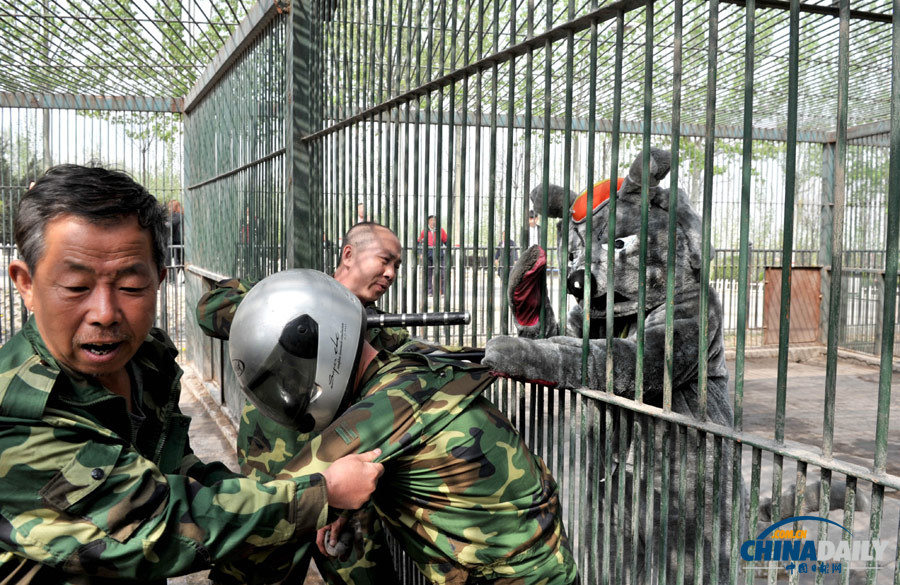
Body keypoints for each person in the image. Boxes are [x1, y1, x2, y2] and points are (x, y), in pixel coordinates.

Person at [0, 164, 383, 584]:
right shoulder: (17, 417)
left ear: (159, 281)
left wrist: (284, 498)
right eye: (76, 287)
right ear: (26, 284)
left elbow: (174, 467)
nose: (105, 313)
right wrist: (318, 495)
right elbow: (154, 526)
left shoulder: (144, 359)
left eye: (130, 287)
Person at [229, 269, 578, 585]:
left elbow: (272, 510)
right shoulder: (410, 366)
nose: (291, 388)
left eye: (292, 370)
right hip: (546, 564)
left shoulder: (378, 412)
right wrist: (344, 505)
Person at [198, 221, 407, 585]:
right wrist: (289, 319)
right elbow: (209, 308)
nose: (390, 273)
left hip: (344, 491)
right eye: (385, 260)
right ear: (348, 255)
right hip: (275, 485)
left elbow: (423, 368)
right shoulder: (290, 295)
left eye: (397, 267)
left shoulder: (382, 335)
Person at [417, 214, 447, 296]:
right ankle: (429, 292)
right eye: (431, 220)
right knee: (428, 273)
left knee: (442, 273)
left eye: (434, 220)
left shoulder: (441, 231)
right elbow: (418, 243)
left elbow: (446, 241)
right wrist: (420, 253)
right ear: (428, 222)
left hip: (439, 253)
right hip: (428, 253)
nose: (433, 222)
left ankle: (442, 292)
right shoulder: (424, 231)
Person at [166, 199, 183, 268]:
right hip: (184, 242)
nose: (169, 209)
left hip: (177, 242)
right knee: (182, 263)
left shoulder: (176, 216)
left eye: (170, 207)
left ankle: (172, 278)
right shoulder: (184, 215)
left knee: (177, 263)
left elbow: (168, 225)